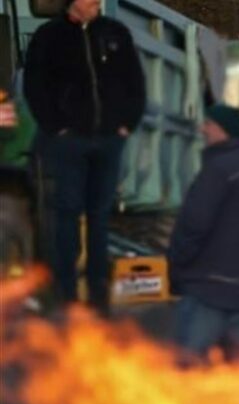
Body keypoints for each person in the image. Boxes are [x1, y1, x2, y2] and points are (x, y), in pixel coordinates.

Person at [23, 0, 146, 311]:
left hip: (108, 140)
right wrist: (57, 127)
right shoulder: (49, 36)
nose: (96, 3)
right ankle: (67, 293)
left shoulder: (115, 33)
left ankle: (98, 292)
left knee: (100, 217)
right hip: (69, 142)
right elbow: (35, 86)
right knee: (66, 214)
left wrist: (126, 124)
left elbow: (135, 82)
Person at [168, 104, 239, 357]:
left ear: (223, 131)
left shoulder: (219, 169)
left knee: (191, 376)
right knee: (230, 382)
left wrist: (176, 266)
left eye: (209, 124)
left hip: (206, 292)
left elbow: (193, 224)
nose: (203, 129)